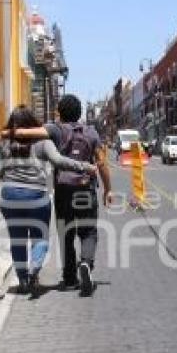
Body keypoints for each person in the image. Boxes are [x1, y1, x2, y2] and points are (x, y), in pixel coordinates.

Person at [0, 106, 97, 297]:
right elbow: (60, 161)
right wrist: (84, 166)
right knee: (41, 238)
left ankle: (22, 280)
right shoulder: (42, 142)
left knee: (17, 240)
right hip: (37, 197)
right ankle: (33, 271)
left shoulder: (1, 143)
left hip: (10, 196)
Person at [50, 95, 112, 296]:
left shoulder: (55, 130)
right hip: (85, 188)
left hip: (62, 189)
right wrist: (108, 189)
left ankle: (69, 279)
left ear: (60, 112)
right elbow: (101, 163)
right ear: (79, 113)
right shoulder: (91, 133)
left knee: (65, 233)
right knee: (88, 231)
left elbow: (34, 133)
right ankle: (85, 262)